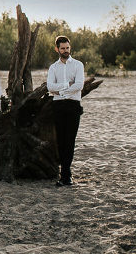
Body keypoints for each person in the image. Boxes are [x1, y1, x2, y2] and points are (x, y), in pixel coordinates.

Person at [47, 35, 85, 187]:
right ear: (57, 49)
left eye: (67, 48)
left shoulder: (78, 65)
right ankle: (63, 173)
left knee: (70, 140)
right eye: (62, 48)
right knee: (60, 140)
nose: (65, 51)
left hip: (73, 106)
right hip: (58, 107)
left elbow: (79, 85)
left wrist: (61, 91)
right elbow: (50, 87)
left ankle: (66, 175)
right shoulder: (53, 68)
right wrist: (66, 86)